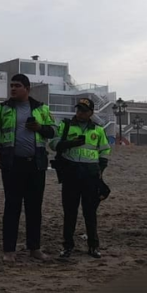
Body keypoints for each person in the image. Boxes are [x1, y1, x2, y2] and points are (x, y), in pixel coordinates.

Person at [0, 74, 57, 262]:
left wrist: (40, 127)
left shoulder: (42, 109)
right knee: (12, 207)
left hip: (36, 164)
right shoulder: (1, 109)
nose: (13, 89)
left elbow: (54, 131)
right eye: (12, 86)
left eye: (17, 86)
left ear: (27, 88)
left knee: (34, 208)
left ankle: (35, 248)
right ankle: (9, 251)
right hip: (12, 165)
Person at [51, 98, 112, 259]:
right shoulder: (65, 125)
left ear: (91, 112)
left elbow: (105, 150)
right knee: (70, 213)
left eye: (84, 110)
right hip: (70, 174)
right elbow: (53, 143)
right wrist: (69, 144)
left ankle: (93, 246)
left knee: (90, 213)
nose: (80, 113)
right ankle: (67, 246)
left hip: (90, 175)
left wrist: (101, 169)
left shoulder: (98, 130)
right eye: (78, 109)